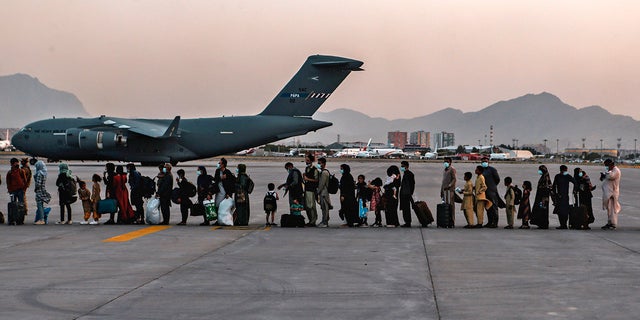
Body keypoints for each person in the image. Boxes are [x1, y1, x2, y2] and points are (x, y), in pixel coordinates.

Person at [551, 165, 575, 229]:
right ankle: (562, 224)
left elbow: (575, 182)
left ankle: (564, 224)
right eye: (565, 170)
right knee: (559, 211)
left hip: (565, 197)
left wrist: (574, 190)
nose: (566, 171)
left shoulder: (567, 176)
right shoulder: (557, 176)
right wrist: (555, 194)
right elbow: (554, 186)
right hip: (559, 196)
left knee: (565, 211)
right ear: (561, 170)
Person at [600, 159, 621, 230]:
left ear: (611, 165)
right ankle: (609, 222)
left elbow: (611, 176)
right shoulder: (610, 171)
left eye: (607, 165)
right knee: (609, 208)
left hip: (613, 193)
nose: (606, 167)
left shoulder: (616, 170)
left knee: (613, 209)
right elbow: (606, 177)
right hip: (608, 192)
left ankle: (613, 223)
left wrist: (606, 174)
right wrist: (603, 176)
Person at [531, 165, 552, 229]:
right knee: (541, 210)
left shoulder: (546, 178)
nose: (539, 171)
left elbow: (548, 188)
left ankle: (544, 224)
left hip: (543, 198)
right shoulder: (543, 177)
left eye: (540, 170)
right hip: (541, 197)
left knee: (543, 210)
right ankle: (541, 223)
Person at [302, 153, 319, 227]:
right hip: (307, 188)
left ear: (311, 161)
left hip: (311, 189)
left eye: (308, 160)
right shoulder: (307, 168)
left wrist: (307, 179)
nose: (306, 161)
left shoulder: (314, 169)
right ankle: (310, 220)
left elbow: (316, 180)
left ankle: (313, 221)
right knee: (307, 206)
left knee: (311, 206)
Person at [32, 160, 51, 225]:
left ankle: (41, 219)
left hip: (39, 191)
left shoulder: (39, 173)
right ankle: (43, 219)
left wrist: (36, 189)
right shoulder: (44, 172)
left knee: (39, 205)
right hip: (43, 189)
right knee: (41, 204)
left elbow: (38, 183)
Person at [440, 157, 457, 226]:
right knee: (446, 206)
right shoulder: (445, 170)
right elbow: (443, 181)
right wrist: (441, 191)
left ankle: (452, 221)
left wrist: (449, 186)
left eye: (447, 161)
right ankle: (446, 221)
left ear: (450, 162)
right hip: (444, 191)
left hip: (450, 191)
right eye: (444, 161)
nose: (445, 163)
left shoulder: (452, 169)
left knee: (451, 206)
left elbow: (454, 179)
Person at [316, 157, 331, 228]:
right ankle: (324, 221)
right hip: (323, 192)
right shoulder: (322, 172)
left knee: (325, 208)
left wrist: (318, 192)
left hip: (324, 193)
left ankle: (325, 222)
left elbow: (322, 184)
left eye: (320, 163)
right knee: (323, 208)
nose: (318, 165)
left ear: (324, 164)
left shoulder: (324, 173)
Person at [400, 160, 415, 228]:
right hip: (404, 193)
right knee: (405, 208)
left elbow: (412, 185)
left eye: (402, 166)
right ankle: (407, 221)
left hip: (406, 194)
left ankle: (408, 222)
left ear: (406, 166)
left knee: (406, 208)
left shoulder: (409, 174)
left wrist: (410, 193)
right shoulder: (406, 173)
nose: (401, 167)